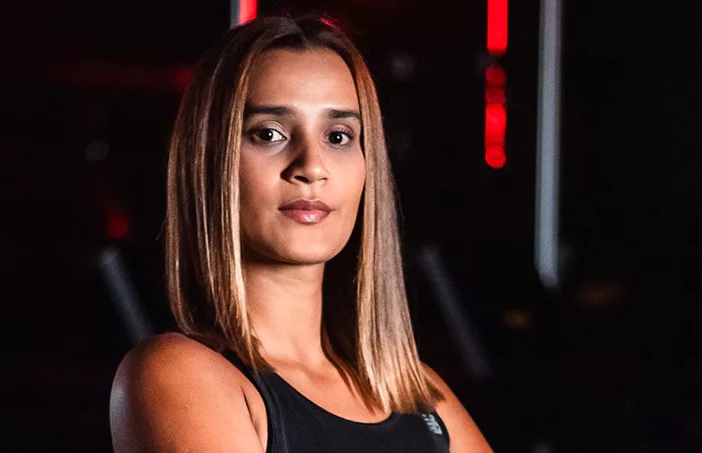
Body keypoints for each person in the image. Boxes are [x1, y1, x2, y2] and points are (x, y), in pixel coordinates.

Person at [109, 15, 493, 453]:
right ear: (209, 161)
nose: (311, 166)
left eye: (338, 136)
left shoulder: (418, 393)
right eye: (269, 133)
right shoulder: (179, 374)